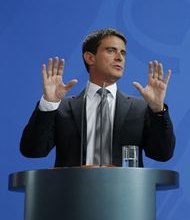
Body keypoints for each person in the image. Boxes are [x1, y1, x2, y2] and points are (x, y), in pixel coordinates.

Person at [20, 28, 175, 167]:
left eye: (123, 53)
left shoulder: (140, 108)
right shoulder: (62, 108)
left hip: (125, 196)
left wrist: (157, 109)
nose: (119, 58)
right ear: (90, 58)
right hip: (73, 195)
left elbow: (162, 154)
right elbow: (32, 150)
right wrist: (49, 103)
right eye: (111, 50)